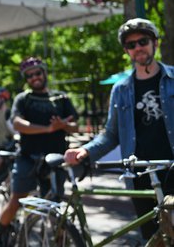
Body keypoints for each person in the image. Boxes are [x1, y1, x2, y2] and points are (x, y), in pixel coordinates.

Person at [64, 18, 174, 241]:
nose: (137, 48)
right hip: (140, 174)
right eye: (131, 45)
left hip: (172, 169)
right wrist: (85, 151)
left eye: (142, 41)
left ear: (155, 43)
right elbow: (111, 135)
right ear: (127, 51)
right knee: (154, 239)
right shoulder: (121, 89)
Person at [0, 57, 78, 247]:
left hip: (56, 161)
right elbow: (17, 123)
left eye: (38, 73)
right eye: (29, 75)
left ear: (44, 73)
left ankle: (60, 241)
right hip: (28, 158)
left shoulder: (61, 98)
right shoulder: (23, 99)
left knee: (56, 208)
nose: (34, 77)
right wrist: (48, 128)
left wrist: (64, 125)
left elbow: (75, 126)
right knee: (16, 200)